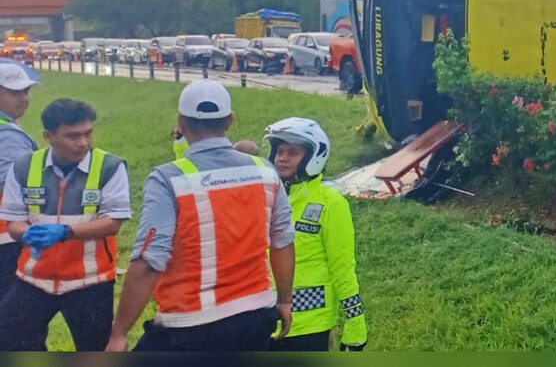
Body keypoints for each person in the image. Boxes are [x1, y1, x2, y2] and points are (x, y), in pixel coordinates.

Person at [106, 80, 296, 352]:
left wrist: (119, 333)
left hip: (190, 324)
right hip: (256, 315)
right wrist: (285, 301)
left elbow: (149, 260)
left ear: (181, 123)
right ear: (229, 120)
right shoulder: (264, 170)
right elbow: (283, 241)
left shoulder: (167, 178)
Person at [0, 98, 130, 351]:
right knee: (10, 341)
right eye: (73, 136)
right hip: (33, 278)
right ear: (48, 136)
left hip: (89, 281)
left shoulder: (109, 167)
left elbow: (113, 222)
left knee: (95, 349)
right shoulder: (24, 167)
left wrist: (65, 232)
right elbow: (13, 222)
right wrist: (28, 234)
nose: (84, 143)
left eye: (88, 133)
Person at [265, 117, 367, 351]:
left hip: (309, 327)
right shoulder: (265, 198)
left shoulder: (331, 203)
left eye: (292, 152)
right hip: (265, 322)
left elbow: (343, 267)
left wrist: (355, 323)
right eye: (279, 151)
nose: (282, 158)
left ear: (313, 157)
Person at [0, 62, 39, 302]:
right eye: (14, 92)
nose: (23, 97)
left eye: (26, 91)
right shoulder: (8, 136)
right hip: (7, 240)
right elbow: (14, 186)